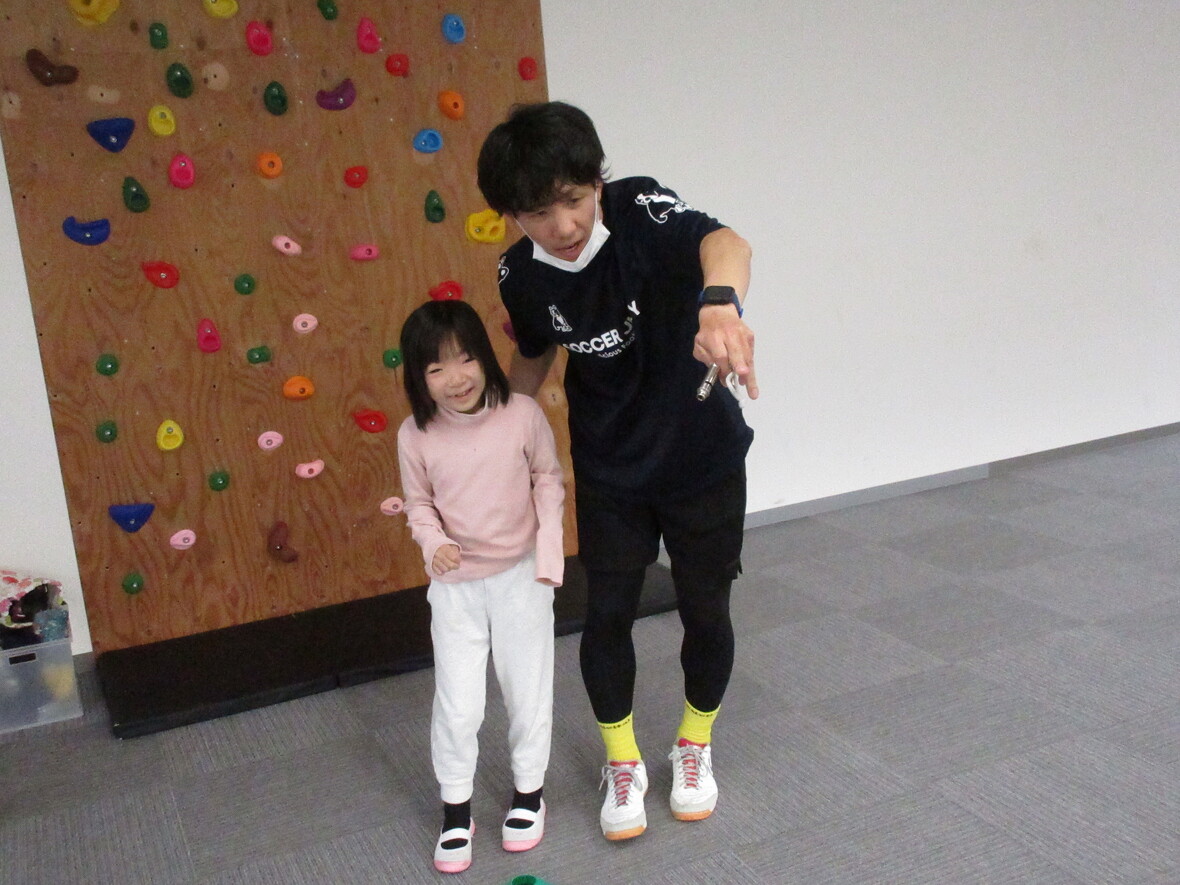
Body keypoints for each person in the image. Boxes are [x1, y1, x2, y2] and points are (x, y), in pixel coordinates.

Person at [477, 101, 757, 842]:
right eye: (538, 213)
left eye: (573, 199)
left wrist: (719, 304)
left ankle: (694, 743)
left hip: (700, 458)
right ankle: (623, 760)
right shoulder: (520, 275)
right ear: (513, 217)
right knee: (606, 615)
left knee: (706, 609)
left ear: (597, 182)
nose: (564, 225)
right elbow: (534, 349)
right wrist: (500, 429)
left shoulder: (640, 212)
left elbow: (727, 243)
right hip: (610, 469)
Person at [396, 299, 565, 874]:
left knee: (526, 689)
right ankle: (456, 810)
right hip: (456, 588)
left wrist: (549, 553)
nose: (455, 377)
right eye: (436, 367)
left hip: (521, 576)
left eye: (465, 358)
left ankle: (528, 794)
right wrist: (432, 543)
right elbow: (419, 504)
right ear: (418, 377)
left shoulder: (521, 413)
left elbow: (548, 478)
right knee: (459, 702)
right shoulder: (415, 434)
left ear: (485, 357)